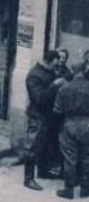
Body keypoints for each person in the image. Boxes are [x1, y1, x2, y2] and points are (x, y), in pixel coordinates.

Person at [22, 50, 65, 191]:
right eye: (55, 63)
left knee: (44, 146)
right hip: (37, 117)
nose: (57, 65)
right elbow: (39, 98)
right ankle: (28, 179)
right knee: (32, 147)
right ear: (48, 61)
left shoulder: (49, 71)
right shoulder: (33, 76)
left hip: (48, 116)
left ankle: (42, 171)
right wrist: (55, 85)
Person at [53, 63, 89, 199]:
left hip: (70, 123)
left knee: (70, 158)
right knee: (87, 157)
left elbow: (57, 110)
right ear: (84, 70)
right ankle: (85, 189)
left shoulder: (65, 88)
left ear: (73, 72)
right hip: (87, 125)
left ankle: (69, 189)